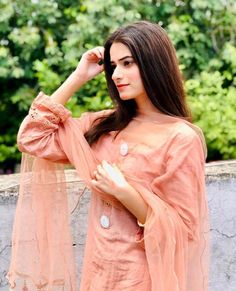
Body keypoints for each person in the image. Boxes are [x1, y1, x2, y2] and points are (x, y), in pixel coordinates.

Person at [7, 21, 209, 291]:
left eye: (127, 63)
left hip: (145, 280)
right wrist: (78, 77)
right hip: (98, 277)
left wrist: (125, 193)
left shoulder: (181, 138)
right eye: (113, 66)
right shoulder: (104, 127)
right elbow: (31, 137)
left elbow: (183, 232)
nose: (115, 74)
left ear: (154, 64)